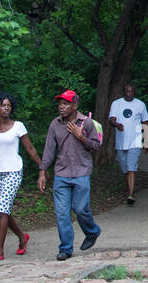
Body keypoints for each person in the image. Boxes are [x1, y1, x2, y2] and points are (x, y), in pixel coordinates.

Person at [39, 89, 101, 259]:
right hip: (61, 173)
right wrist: (42, 171)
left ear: (75, 105)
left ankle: (92, 231)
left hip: (81, 172)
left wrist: (81, 136)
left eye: (65, 104)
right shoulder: (55, 124)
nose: (61, 107)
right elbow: (49, 150)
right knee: (62, 213)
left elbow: (96, 146)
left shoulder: (86, 123)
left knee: (81, 209)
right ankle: (65, 248)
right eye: (60, 103)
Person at [0, 92, 43, 260]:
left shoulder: (18, 126)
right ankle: (21, 237)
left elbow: (30, 149)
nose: (6, 108)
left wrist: (42, 167)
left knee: (2, 210)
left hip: (14, 171)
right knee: (2, 211)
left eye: (9, 105)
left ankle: (0, 251)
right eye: (3, 105)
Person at [108, 83, 148, 205]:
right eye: (127, 91)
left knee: (131, 167)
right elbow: (112, 119)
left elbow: (145, 122)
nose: (129, 93)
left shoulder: (140, 104)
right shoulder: (117, 103)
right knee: (125, 169)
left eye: (131, 91)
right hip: (121, 142)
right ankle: (129, 190)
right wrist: (117, 125)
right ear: (124, 92)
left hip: (135, 141)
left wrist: (146, 142)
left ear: (134, 92)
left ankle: (131, 194)